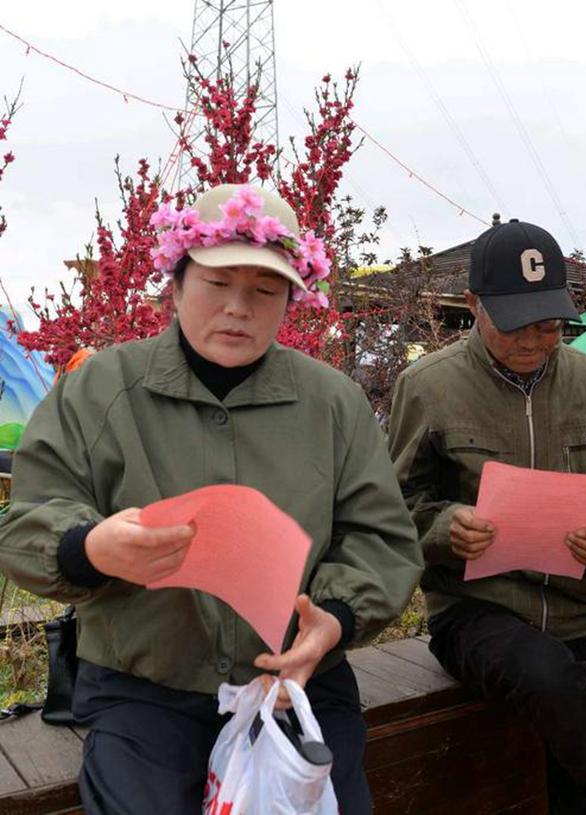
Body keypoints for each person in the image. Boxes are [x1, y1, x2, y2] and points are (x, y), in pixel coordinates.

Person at [0, 184, 423, 814]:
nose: (237, 309)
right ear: (174, 286)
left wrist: (333, 618)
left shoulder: (334, 403)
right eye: (216, 283)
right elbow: (29, 520)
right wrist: (90, 548)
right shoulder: (100, 389)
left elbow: (380, 537)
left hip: (296, 679)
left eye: (264, 291)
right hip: (144, 687)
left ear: (290, 301)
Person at [388, 218, 586, 815]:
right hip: (477, 608)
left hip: (580, 610)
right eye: (515, 324)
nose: (532, 341)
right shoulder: (426, 386)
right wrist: (447, 528)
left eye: (548, 325)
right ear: (474, 305)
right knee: (548, 674)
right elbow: (393, 510)